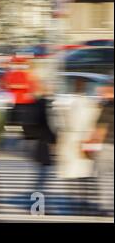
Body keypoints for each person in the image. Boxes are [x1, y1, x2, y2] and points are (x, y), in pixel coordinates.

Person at [55, 77, 99, 214]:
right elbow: (95, 123)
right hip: (85, 140)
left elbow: (61, 124)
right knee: (86, 174)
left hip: (71, 140)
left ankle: (76, 202)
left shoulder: (67, 104)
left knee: (73, 175)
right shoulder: (91, 105)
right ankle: (85, 202)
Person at [0, 57, 38, 140]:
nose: (18, 66)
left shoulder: (27, 74)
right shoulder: (10, 74)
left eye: (20, 64)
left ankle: (26, 134)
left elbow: (32, 86)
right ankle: (23, 134)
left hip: (22, 101)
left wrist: (14, 86)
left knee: (21, 120)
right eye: (17, 64)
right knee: (16, 120)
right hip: (16, 101)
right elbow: (4, 85)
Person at [92, 82, 114, 216]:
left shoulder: (106, 108)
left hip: (107, 146)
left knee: (104, 179)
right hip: (107, 146)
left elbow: (100, 129)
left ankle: (105, 207)